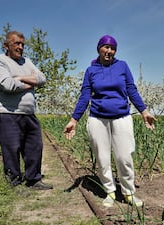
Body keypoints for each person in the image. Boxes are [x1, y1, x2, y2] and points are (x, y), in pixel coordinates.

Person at [63, 34, 156, 207]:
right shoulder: (91, 71)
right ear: (99, 48)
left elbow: (131, 89)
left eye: (112, 48)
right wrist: (74, 120)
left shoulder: (122, 66)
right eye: (106, 47)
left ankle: (128, 193)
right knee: (102, 157)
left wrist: (144, 111)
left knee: (125, 156)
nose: (109, 50)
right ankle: (110, 192)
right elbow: (84, 96)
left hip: (122, 117)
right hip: (97, 119)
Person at [0, 30, 53, 190]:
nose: (20, 47)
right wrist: (30, 82)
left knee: (34, 146)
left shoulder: (27, 61)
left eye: (22, 44)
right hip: (9, 113)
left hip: (29, 113)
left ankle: (34, 179)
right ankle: (14, 183)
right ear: (6, 45)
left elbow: (42, 79)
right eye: (16, 44)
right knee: (11, 148)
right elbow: (7, 85)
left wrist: (19, 78)